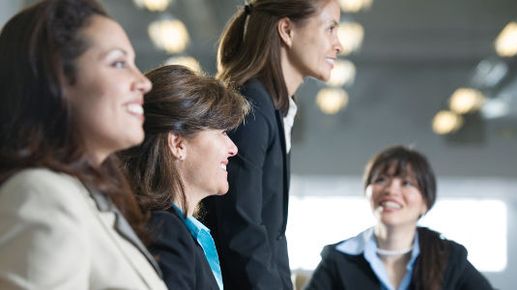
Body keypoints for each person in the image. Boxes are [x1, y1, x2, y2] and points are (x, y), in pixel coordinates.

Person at [0, 0, 167, 289]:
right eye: (118, 63)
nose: (143, 82)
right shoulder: (41, 194)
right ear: (58, 79)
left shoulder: (87, 198)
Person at [201, 1, 343, 289]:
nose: (338, 44)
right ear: (287, 30)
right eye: (330, 28)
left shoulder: (272, 109)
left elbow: (268, 238)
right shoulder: (252, 107)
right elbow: (242, 232)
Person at [119, 65, 250, 290]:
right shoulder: (165, 231)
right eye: (222, 133)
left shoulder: (171, 228)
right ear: (178, 144)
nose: (233, 148)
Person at [305, 146, 494, 290]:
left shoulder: (449, 257)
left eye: (407, 183)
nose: (390, 190)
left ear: (425, 202)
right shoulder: (338, 258)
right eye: (380, 179)